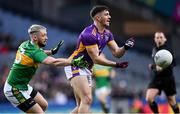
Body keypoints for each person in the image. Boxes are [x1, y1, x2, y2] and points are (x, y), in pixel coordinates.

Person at [64, 5, 134, 113]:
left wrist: (125, 47)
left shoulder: (107, 34)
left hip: (86, 68)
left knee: (81, 106)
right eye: (106, 14)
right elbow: (96, 59)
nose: (110, 17)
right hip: (76, 65)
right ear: (98, 18)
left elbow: (117, 53)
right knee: (87, 99)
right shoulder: (89, 34)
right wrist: (116, 65)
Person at [3, 24, 87, 113]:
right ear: (35, 38)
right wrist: (73, 62)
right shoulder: (34, 52)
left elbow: (39, 52)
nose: (46, 38)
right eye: (43, 35)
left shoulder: (25, 44)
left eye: (46, 35)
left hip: (22, 85)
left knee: (44, 105)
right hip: (14, 89)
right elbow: (54, 62)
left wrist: (51, 52)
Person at [146, 32, 179, 114]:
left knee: (172, 102)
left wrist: (163, 67)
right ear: (154, 39)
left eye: (161, 37)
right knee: (149, 98)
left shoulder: (168, 50)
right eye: (157, 37)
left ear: (165, 39)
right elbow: (156, 64)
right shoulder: (154, 50)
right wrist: (153, 66)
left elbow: (173, 63)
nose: (159, 39)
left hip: (168, 78)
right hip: (156, 78)